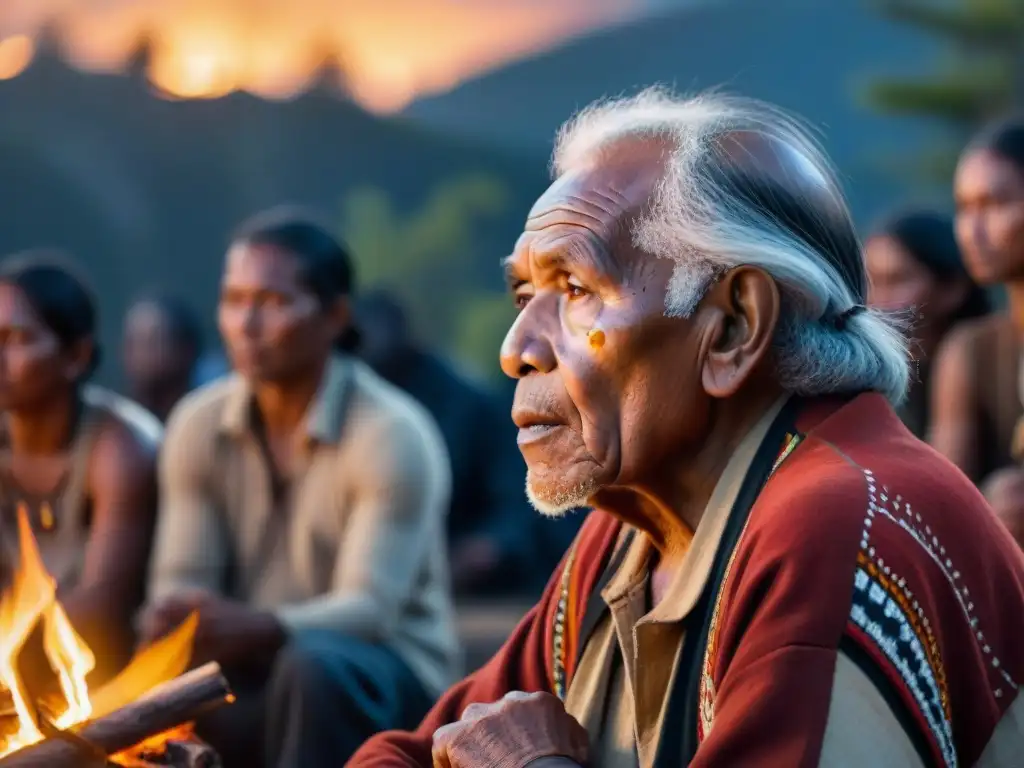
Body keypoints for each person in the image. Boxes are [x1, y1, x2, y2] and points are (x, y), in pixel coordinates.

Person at [350, 89, 1024, 767]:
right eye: (527, 295)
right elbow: (418, 750)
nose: (517, 346)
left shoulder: (831, 525)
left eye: (577, 289)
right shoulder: (633, 532)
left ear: (732, 328)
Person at [140, 207, 457, 767]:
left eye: (273, 302)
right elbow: (180, 585)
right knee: (161, 667)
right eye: (234, 301)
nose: (247, 324)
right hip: (256, 673)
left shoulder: (391, 432)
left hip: (385, 682)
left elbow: (369, 612)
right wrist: (177, 616)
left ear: (335, 315)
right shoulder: (197, 424)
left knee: (313, 665)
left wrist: (262, 625)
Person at [0, 252, 161, 676]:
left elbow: (102, 608)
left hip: (96, 674)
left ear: (76, 355)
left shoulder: (123, 447)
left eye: (16, 339)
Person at [355, 289, 542, 596]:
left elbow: (516, 497)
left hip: (462, 572)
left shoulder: (466, 405)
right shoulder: (341, 403)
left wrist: (489, 545)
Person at [932, 116, 1024, 483]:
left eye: (994, 204)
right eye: (964, 208)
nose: (972, 230)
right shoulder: (973, 351)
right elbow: (944, 503)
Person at [864, 209, 989, 438]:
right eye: (871, 281)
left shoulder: (982, 362)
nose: (877, 300)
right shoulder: (863, 380)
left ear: (952, 289)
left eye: (897, 280)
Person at [121, 294, 203, 422]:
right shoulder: (118, 428)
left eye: (153, 342)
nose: (140, 354)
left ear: (186, 349)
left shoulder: (205, 420)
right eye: (133, 343)